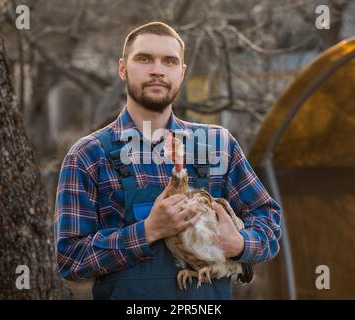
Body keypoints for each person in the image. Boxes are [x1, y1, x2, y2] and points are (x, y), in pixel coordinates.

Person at [54, 21, 282, 300]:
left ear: (182, 73)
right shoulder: (89, 155)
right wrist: (148, 231)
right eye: (144, 59)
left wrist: (240, 243)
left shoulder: (218, 145)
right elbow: (71, 259)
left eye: (169, 61)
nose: (157, 70)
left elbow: (269, 220)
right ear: (123, 68)